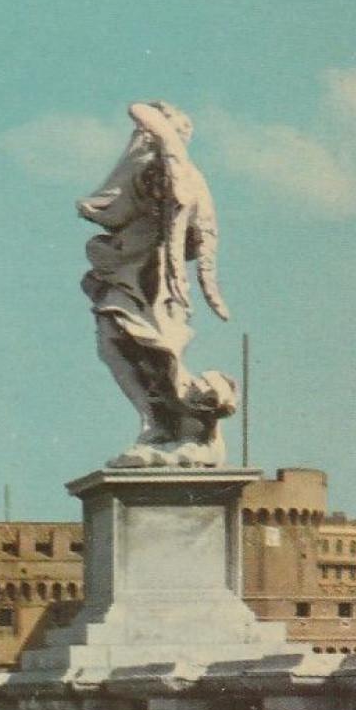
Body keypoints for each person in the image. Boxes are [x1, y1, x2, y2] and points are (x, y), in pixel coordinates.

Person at [77, 101, 235, 467]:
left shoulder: (183, 176)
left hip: (157, 281)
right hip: (126, 272)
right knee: (111, 342)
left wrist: (164, 137)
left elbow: (195, 235)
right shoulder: (144, 170)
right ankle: (156, 422)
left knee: (159, 351)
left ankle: (198, 415)